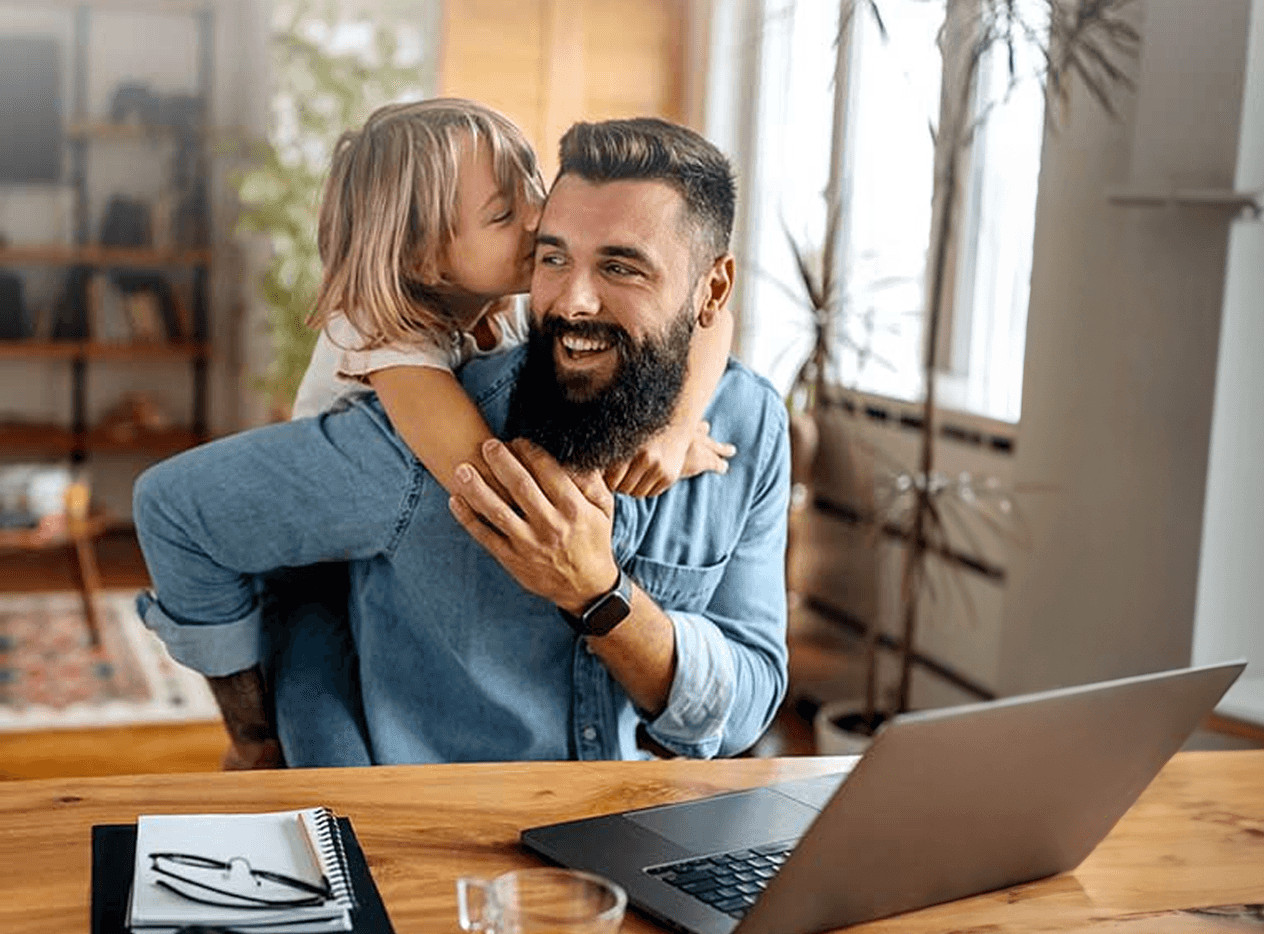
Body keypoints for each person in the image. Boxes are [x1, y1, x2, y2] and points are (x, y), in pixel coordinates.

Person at [135, 116, 791, 767]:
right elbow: (489, 479)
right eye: (552, 253)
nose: (571, 297)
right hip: (410, 795)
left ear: (712, 286)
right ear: (427, 257)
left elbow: (746, 707)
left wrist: (670, 432)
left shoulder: (746, 424)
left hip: (629, 826)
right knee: (315, 699)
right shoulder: (409, 387)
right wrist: (252, 735)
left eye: (621, 266)